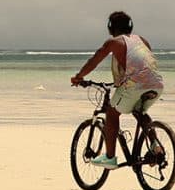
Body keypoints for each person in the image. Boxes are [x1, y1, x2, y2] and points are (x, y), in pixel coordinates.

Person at [70, 11, 164, 169]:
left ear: (110, 28)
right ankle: (155, 146)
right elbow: (141, 63)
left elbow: (94, 60)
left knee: (112, 113)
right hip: (157, 84)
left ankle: (110, 157)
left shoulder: (114, 42)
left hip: (136, 85)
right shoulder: (142, 40)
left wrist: (79, 76)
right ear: (130, 26)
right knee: (139, 111)